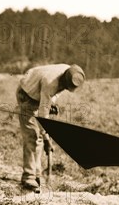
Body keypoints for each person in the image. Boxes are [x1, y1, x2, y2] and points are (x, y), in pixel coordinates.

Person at [16, 63, 85, 192]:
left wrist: (50, 103)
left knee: (39, 139)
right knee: (32, 135)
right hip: (26, 94)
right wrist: (47, 136)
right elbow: (43, 116)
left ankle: (37, 174)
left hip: (39, 94)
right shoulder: (50, 82)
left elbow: (50, 97)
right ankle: (28, 176)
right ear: (64, 80)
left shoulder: (71, 72)